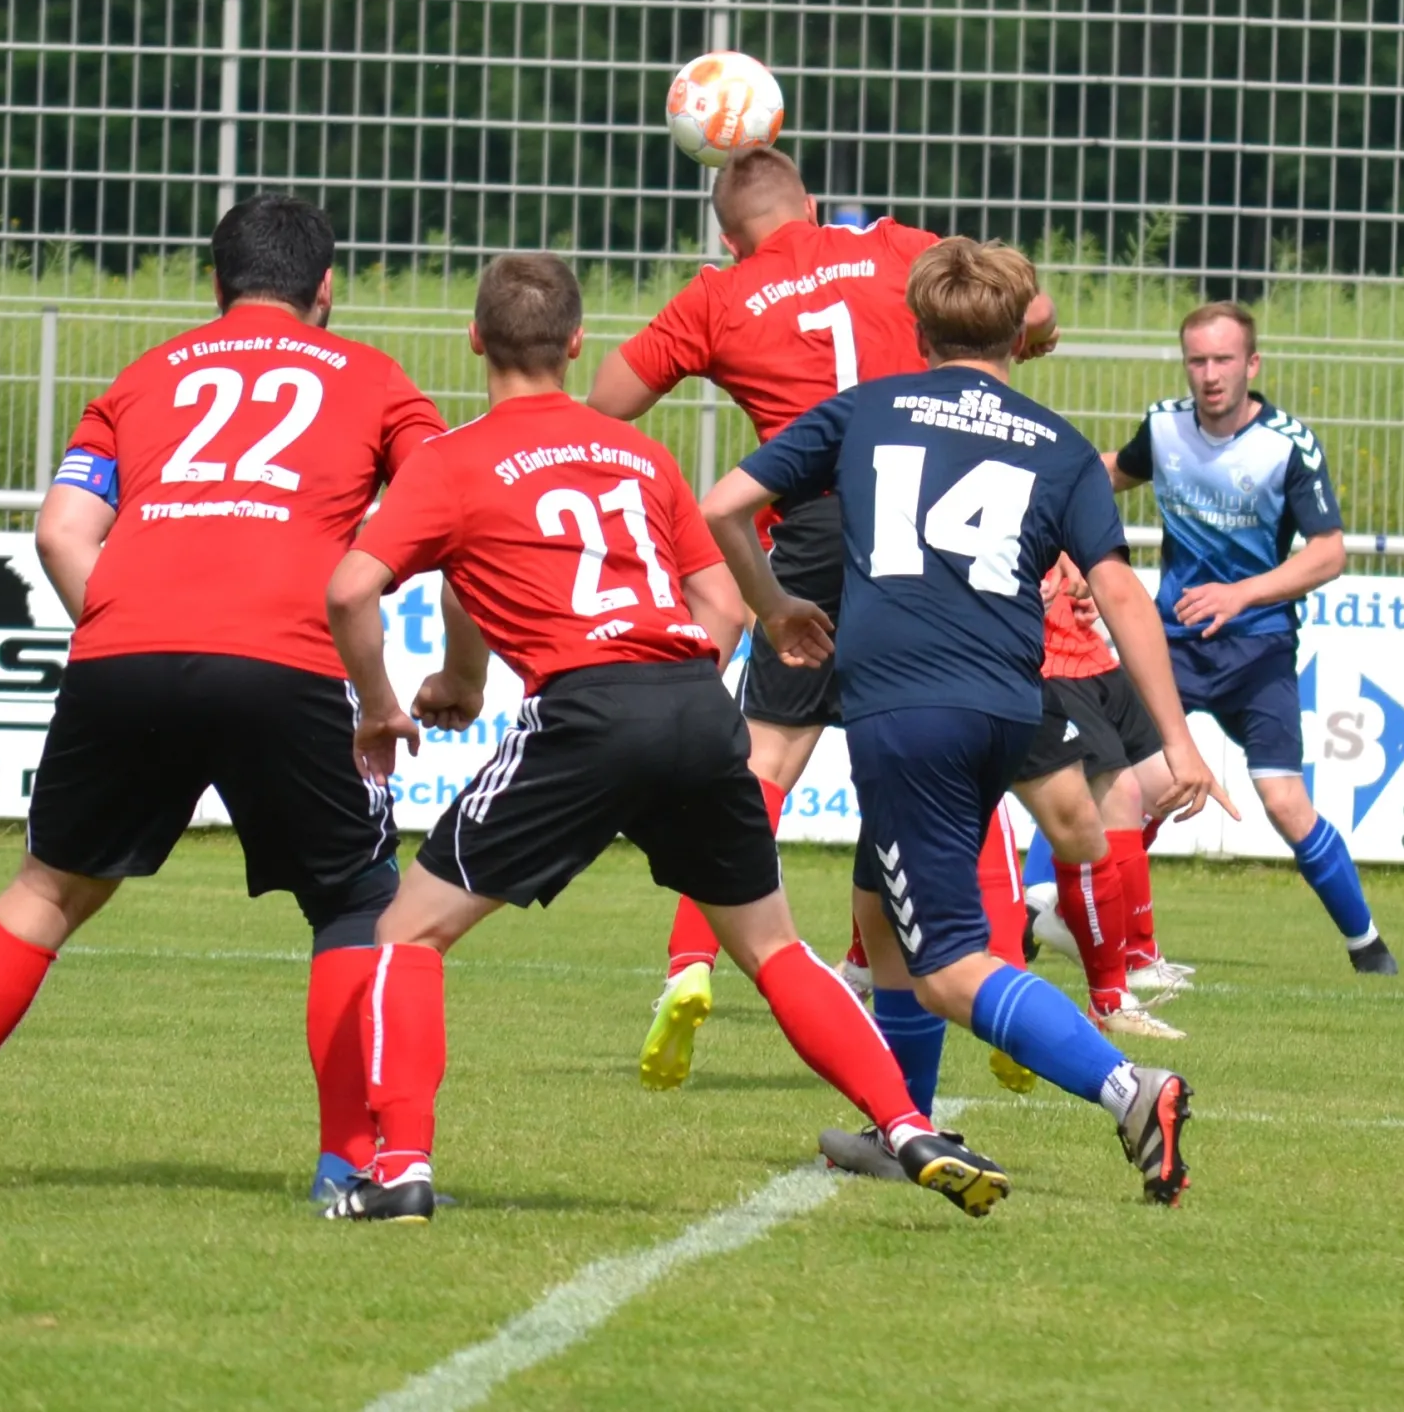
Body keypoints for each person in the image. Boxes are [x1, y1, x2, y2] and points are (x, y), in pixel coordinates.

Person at [322, 251, 1015, 1223]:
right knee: (773, 947)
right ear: (576, 344)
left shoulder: (452, 458)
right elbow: (718, 600)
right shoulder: (636, 455)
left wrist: (380, 705)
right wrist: (665, 685)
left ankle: (398, 1172)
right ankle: (907, 1124)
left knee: (406, 932)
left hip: (586, 708)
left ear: (474, 339)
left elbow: (350, 588)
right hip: (691, 697)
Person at [0, 194, 475, 1191]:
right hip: (286, 654)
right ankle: (344, 1164)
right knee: (354, 900)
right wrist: (440, 674)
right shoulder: (375, 380)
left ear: (215, 284)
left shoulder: (142, 377)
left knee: (48, 888)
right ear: (325, 291)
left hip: (124, 647)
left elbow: (60, 531)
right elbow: (452, 515)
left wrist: (130, 629)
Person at [699, 237, 1236, 1205]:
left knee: (947, 966)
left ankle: (1130, 1089)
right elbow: (1118, 591)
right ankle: (898, 1123)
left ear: (916, 329)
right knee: (878, 909)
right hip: (1006, 705)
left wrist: (773, 607)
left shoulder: (866, 409)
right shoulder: (1057, 444)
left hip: (908, 707)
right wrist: (1181, 739)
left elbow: (724, 507)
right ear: (1019, 334)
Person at [586, 144, 1056, 1084]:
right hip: (924, 516)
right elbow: (1030, 310)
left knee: (762, 761)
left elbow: (608, 402)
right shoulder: (889, 246)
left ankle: (689, 963)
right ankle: (1002, 966)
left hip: (814, 524)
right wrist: (1023, 339)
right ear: (811, 204)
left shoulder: (718, 296)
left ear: (729, 236)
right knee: (946, 755)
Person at [1105, 303, 1398, 975]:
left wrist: (1240, 594)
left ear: (1252, 364)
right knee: (1113, 780)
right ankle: (1046, 912)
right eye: (1198, 361)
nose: (1210, 375)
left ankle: (1368, 947)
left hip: (1257, 647)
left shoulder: (1288, 446)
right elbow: (1115, 471)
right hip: (1171, 643)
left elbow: (1327, 553)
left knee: (1284, 801)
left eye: (1224, 360)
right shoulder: (1164, 427)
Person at [1015, 554, 1195, 1001]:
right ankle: (1135, 957)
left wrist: (1083, 577)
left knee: (1164, 787)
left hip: (1092, 654)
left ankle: (1066, 910)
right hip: (1050, 664)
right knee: (1121, 796)